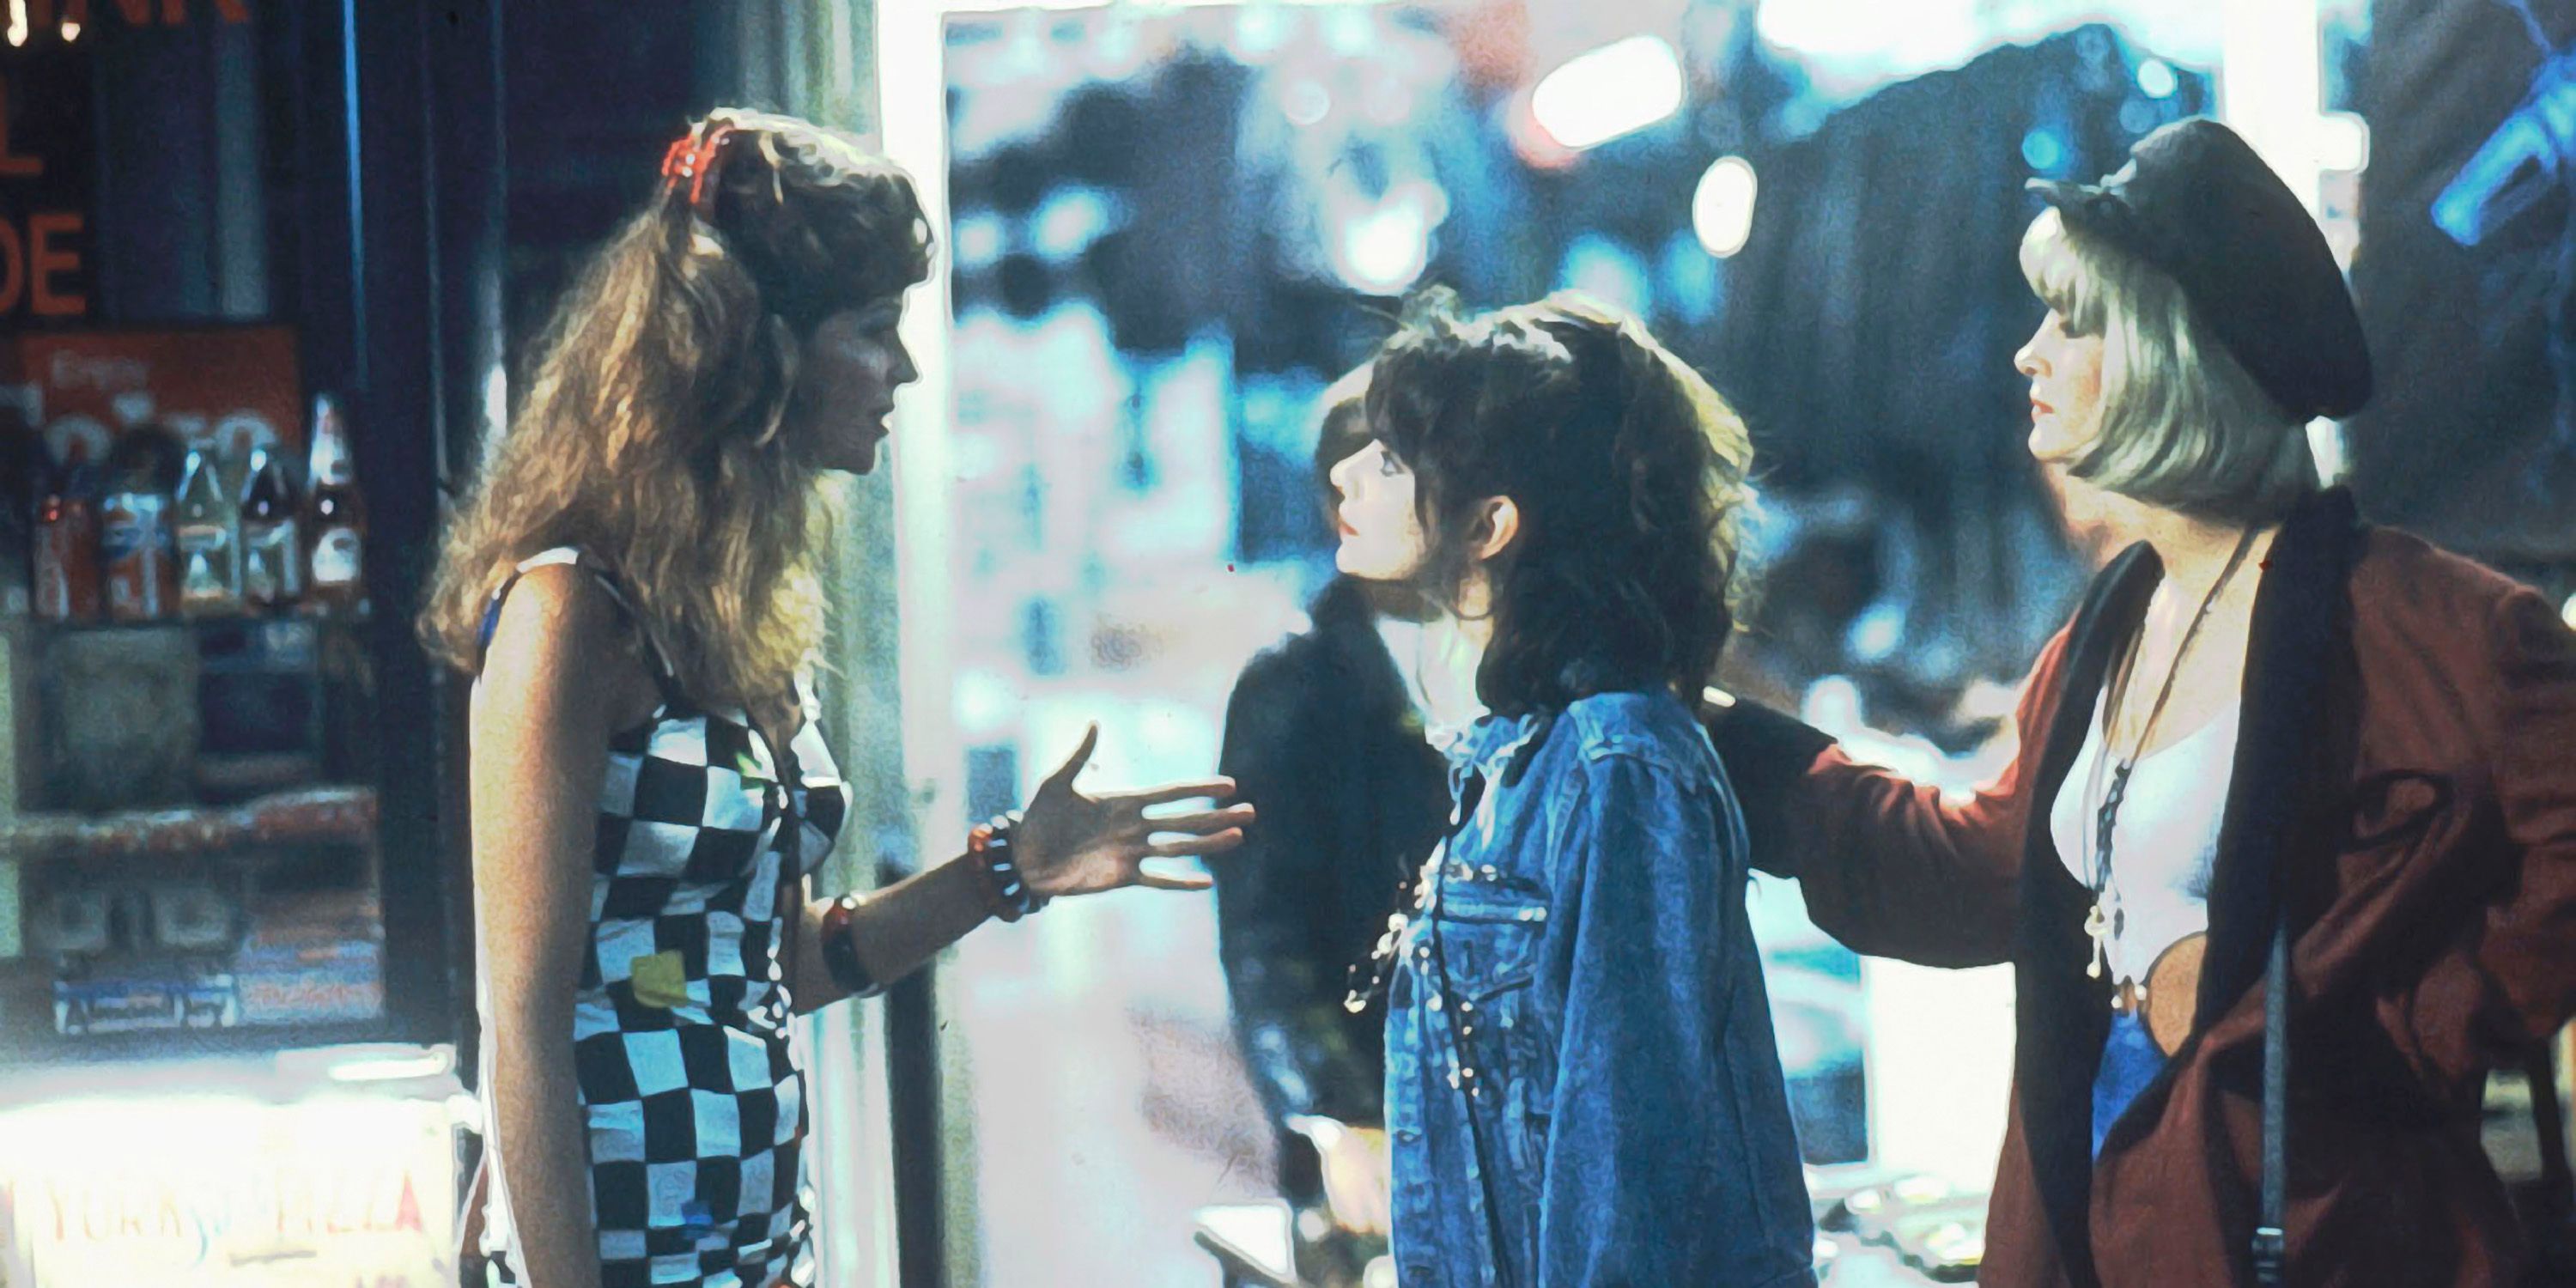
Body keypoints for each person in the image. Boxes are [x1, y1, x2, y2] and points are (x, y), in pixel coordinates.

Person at [1709, 117, 2576, 1287]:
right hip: (2097, 1218)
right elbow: (1991, 871)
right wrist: (1729, 747)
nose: (2029, 354)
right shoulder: (2110, 630)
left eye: (2071, 322)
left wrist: (2395, 1028)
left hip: (2309, 1235)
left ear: (2173, 355)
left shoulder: (2434, 629)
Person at [419, 109, 1254, 1288]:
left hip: (762, 1254)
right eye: (872, 329)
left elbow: (780, 965)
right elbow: (523, 1027)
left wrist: (1010, 871)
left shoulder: (732, 605)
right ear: (754, 351)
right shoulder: (570, 612)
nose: (903, 368)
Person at [1340, 290, 1815, 1287]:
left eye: (1387, 461)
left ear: (1490, 524)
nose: (1344, 474)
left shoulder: (1617, 767)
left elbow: (1626, 1168)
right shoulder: (1519, 757)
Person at [1209, 364, 1459, 1272]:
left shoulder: (1511, 659)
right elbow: (1264, 943)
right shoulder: (1292, 688)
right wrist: (1338, 1118)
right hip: (1372, 1149)